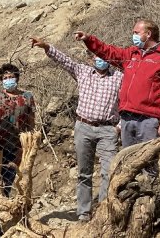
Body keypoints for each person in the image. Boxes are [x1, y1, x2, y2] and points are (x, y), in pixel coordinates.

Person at [31, 36, 123, 222]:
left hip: (108, 130)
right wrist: (47, 46)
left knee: (109, 172)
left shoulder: (119, 77)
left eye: (103, 56)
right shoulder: (82, 72)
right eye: (97, 56)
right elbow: (64, 61)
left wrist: (119, 127)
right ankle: (83, 212)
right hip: (84, 127)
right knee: (84, 172)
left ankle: (104, 212)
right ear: (91, 58)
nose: (101, 59)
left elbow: (129, 100)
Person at [74, 19, 160, 151]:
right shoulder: (132, 53)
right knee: (128, 160)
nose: (133, 35)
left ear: (148, 34)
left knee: (148, 162)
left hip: (149, 119)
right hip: (127, 117)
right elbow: (108, 52)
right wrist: (89, 40)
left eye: (136, 32)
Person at [0, 63, 36, 196]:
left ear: (17, 78)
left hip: (16, 145)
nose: (8, 80)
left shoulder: (27, 97)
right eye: (5, 77)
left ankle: (4, 203)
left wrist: (26, 146)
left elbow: (31, 123)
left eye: (11, 77)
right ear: (1, 80)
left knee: (8, 177)